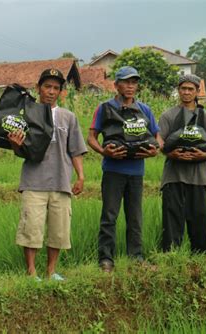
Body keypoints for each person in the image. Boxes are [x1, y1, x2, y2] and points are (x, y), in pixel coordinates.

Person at [8, 69, 87, 280]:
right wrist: (15, 146)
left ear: (61, 92)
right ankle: (31, 272)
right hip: (34, 182)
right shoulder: (27, 114)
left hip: (61, 182)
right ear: (38, 88)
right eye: (47, 86)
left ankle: (51, 271)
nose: (51, 91)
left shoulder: (68, 117)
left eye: (55, 88)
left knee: (58, 231)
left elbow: (76, 150)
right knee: (31, 229)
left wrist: (80, 176)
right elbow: (20, 151)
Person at [87, 66, 162, 272]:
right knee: (109, 216)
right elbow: (91, 137)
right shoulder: (105, 108)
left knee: (135, 217)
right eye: (126, 82)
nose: (130, 86)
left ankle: (136, 258)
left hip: (136, 172)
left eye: (134, 82)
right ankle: (106, 260)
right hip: (113, 171)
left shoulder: (145, 110)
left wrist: (155, 151)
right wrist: (104, 152)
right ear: (116, 85)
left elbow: (158, 137)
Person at [159, 74, 206, 254]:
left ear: (197, 91)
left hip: (198, 176)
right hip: (173, 175)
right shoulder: (168, 115)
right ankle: (171, 255)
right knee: (171, 217)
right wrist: (171, 153)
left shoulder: (204, 115)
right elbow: (159, 141)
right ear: (178, 91)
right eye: (183, 89)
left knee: (198, 217)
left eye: (190, 89)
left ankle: (201, 255)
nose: (186, 92)